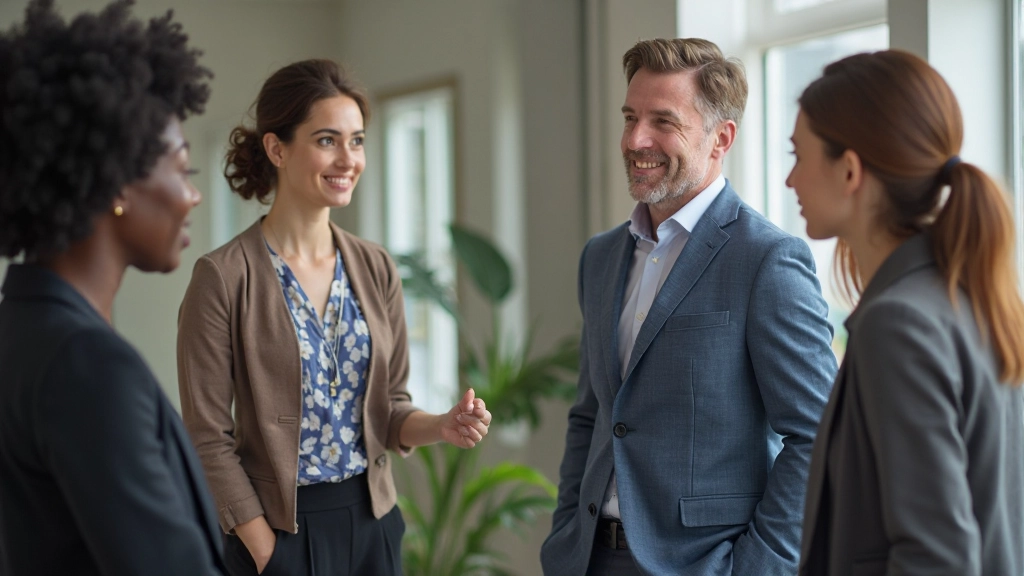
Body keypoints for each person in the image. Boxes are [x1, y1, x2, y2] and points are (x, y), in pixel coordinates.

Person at [177, 59, 492, 576]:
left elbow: (389, 410)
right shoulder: (223, 277)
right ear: (277, 148)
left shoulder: (375, 266)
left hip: (374, 525)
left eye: (358, 140)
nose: (348, 158)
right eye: (327, 140)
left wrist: (442, 426)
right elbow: (206, 436)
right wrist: (264, 550)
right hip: (277, 535)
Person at [540, 38, 838, 576]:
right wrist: (565, 530)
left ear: (720, 138)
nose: (635, 139)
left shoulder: (766, 259)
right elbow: (591, 415)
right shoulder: (601, 257)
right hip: (588, 557)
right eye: (630, 117)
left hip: (705, 564)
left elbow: (818, 436)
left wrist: (755, 567)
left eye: (663, 121)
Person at [0, 1, 224, 575]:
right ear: (118, 178)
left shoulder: (22, 330)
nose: (192, 195)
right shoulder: (88, 364)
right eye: (183, 169)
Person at [792, 50, 1024, 576]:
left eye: (798, 156)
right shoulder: (971, 298)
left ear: (849, 169)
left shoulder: (898, 323)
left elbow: (935, 558)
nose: (790, 181)